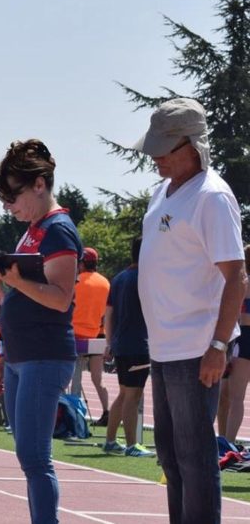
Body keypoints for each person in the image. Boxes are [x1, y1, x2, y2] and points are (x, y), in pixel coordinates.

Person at [133, 98, 246, 524]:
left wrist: (218, 344)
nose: (156, 157)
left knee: (195, 459)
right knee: (171, 456)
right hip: (163, 347)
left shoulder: (212, 197)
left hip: (197, 348)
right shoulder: (161, 193)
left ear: (193, 144)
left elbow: (236, 276)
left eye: (165, 148)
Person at [0, 139, 82, 524]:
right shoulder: (34, 230)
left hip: (44, 353)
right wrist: (6, 356)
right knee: (28, 456)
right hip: (24, 354)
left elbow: (60, 298)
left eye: (13, 195)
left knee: (35, 458)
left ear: (39, 184)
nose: (8, 206)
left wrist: (12, 280)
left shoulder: (58, 230)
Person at [101, 237, 155, 457]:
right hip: (138, 344)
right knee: (133, 395)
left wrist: (109, 342)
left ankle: (111, 440)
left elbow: (109, 314)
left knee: (123, 394)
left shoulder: (119, 278)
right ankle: (132, 445)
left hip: (121, 344)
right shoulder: (145, 279)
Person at [70, 246, 111, 426]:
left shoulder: (75, 282)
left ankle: (74, 416)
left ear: (81, 263)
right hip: (98, 335)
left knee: (74, 379)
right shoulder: (105, 283)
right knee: (97, 379)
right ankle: (106, 412)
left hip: (75, 335)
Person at [222, 244, 250, 443]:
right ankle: (227, 440)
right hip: (243, 337)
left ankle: (229, 442)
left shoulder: (243, 283)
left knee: (236, 397)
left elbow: (245, 317)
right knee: (231, 395)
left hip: (244, 338)